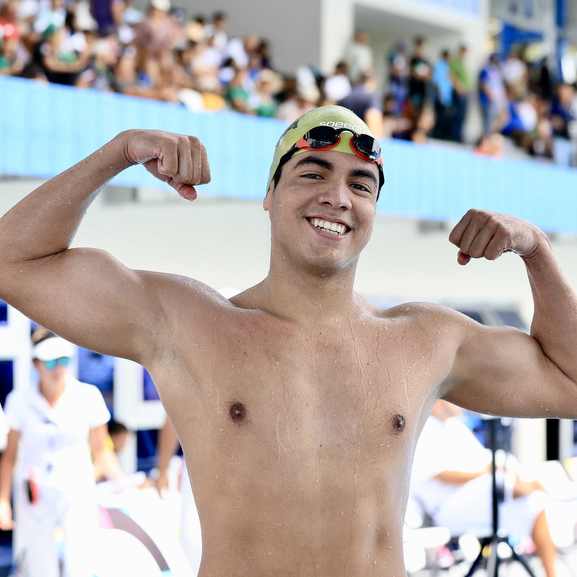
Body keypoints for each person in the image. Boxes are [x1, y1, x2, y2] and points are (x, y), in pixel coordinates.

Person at [0, 104, 576, 577]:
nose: (338, 197)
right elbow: (12, 261)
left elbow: (569, 382)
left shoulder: (424, 340)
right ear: (269, 195)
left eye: (361, 184)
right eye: (313, 173)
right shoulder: (189, 323)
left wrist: (537, 250)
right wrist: (119, 150)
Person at [0, 332, 111, 577]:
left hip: (76, 491)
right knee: (39, 568)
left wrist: (105, 482)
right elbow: (9, 457)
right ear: (36, 364)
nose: (58, 368)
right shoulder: (18, 400)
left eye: (63, 360)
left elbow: (102, 452)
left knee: (80, 565)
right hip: (34, 495)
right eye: (50, 361)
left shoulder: (88, 396)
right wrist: (3, 501)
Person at [411, 400, 559, 577]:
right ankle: (523, 488)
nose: (459, 403)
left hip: (478, 497)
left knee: (535, 504)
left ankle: (552, 574)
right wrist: (486, 471)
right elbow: (441, 474)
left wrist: (496, 467)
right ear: (438, 403)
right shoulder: (425, 430)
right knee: (500, 482)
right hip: (447, 507)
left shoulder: (455, 427)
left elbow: (483, 459)